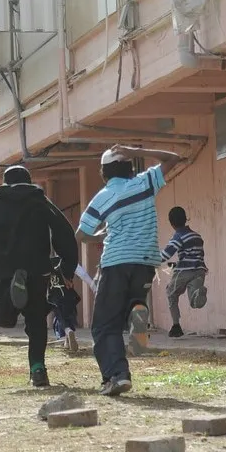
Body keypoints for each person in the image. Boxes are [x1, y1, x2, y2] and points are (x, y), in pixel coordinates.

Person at [77, 144, 181, 396]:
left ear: (104, 173)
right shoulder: (145, 183)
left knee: (104, 325)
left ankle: (117, 375)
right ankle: (138, 306)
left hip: (116, 262)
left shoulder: (103, 196)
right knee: (127, 307)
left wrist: (103, 234)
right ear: (128, 166)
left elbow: (81, 234)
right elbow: (173, 158)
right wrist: (137, 151)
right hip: (146, 262)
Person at [0, 165, 79, 387]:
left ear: (5, 182)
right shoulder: (40, 201)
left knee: (4, 319)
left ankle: (12, 297)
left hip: (2, 271)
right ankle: (37, 369)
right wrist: (67, 267)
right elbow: (63, 230)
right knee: (37, 322)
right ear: (28, 181)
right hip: (37, 269)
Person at [161, 206, 209, 337]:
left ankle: (176, 326)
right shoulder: (197, 236)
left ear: (171, 223)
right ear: (185, 218)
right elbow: (196, 254)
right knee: (194, 302)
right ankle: (198, 290)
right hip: (200, 270)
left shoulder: (179, 236)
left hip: (184, 272)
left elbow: (167, 253)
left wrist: (151, 260)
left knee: (171, 292)